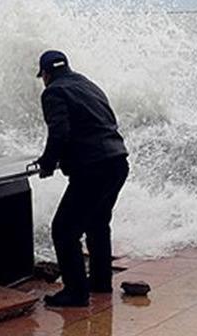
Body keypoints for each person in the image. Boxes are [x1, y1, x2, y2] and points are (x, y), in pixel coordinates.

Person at [33, 50, 129, 307]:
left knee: (64, 230)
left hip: (93, 169)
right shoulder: (88, 85)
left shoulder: (53, 92)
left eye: (42, 75)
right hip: (118, 162)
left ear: (46, 73)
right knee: (98, 223)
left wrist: (47, 163)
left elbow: (60, 132)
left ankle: (75, 293)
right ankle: (100, 282)